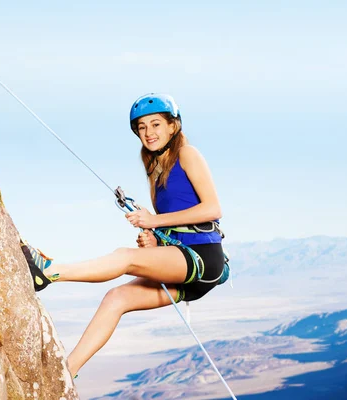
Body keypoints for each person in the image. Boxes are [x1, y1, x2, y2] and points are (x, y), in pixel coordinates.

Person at [21, 93, 226, 379]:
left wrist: (154, 221)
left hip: (203, 259)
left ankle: (49, 272)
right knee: (116, 298)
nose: (148, 133)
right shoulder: (155, 168)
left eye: (155, 124)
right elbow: (176, 224)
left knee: (125, 258)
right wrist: (155, 237)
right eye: (142, 127)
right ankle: (66, 372)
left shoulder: (187, 155)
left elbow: (212, 209)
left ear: (172, 126)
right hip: (184, 263)